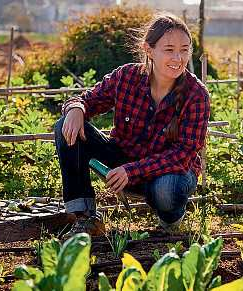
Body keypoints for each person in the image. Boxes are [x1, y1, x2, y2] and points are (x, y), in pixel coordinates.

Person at [54, 13, 210, 239]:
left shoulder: (196, 95)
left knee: (166, 191)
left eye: (184, 50)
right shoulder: (127, 77)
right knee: (65, 126)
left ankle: (171, 220)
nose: (178, 57)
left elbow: (182, 154)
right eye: (169, 49)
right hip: (122, 161)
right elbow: (89, 99)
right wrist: (76, 109)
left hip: (166, 174)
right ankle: (85, 218)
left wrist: (132, 171)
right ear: (149, 50)